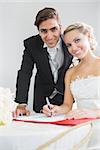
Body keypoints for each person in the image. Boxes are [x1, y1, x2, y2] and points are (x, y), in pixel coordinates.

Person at [43, 22, 100, 149]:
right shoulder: (70, 72)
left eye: (77, 40)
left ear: (89, 37)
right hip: (80, 128)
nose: (73, 48)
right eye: (69, 45)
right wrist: (55, 109)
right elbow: (67, 106)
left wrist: (95, 113)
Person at [13, 7, 73, 117]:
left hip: (68, 101)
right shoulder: (31, 44)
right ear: (38, 31)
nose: (49, 36)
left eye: (53, 29)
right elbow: (25, 73)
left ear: (60, 27)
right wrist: (21, 103)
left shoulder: (70, 41)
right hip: (42, 100)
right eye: (44, 31)